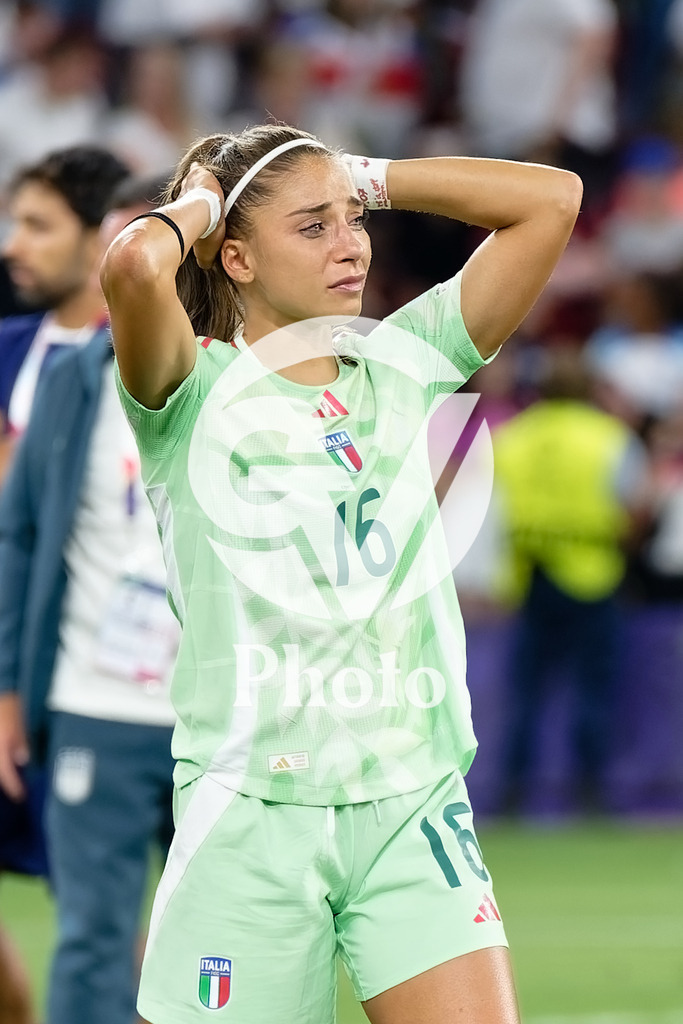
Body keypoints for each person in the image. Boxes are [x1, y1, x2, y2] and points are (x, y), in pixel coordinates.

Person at [100, 122, 582, 1023]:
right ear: (233, 259)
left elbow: (550, 201)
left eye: (350, 220)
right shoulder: (189, 395)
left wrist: (357, 174)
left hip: (410, 798)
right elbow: (132, 266)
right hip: (251, 811)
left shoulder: (402, 365)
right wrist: (206, 200)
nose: (349, 243)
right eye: (311, 227)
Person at [0, 173, 178, 1024]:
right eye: (113, 252)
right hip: (92, 701)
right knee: (91, 937)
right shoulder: (74, 380)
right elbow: (21, 537)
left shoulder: (262, 380)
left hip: (230, 713)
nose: (123, 271)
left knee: (244, 941)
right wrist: (8, 687)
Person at [492, 346, 649, 814]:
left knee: (523, 694)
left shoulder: (511, 437)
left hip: (526, 577)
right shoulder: (609, 438)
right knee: (593, 692)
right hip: (593, 576)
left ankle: (513, 795)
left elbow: (482, 509)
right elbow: (637, 507)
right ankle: (591, 794)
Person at [0, 144, 130, 482]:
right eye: (16, 225)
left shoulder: (142, 359)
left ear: (101, 239)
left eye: (38, 227)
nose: (12, 247)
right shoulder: (5, 344)